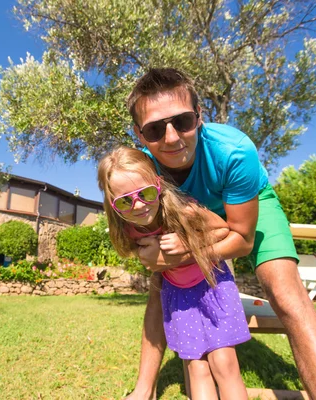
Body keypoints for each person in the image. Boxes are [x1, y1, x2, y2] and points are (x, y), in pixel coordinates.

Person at [123, 68, 316, 399]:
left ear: (199, 116)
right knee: (161, 284)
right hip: (193, 219)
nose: (172, 137)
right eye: (156, 129)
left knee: (287, 294)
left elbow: (242, 241)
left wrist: (184, 251)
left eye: (183, 122)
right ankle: (143, 390)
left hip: (248, 212)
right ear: (140, 134)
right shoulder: (142, 170)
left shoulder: (234, 150)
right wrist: (155, 255)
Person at [98, 146, 250, 399]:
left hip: (213, 284)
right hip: (178, 295)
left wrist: (187, 243)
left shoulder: (185, 211)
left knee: (224, 363)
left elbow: (224, 230)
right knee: (196, 367)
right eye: (125, 201)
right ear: (112, 203)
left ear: (158, 185)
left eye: (145, 193)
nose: (138, 206)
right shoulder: (128, 229)